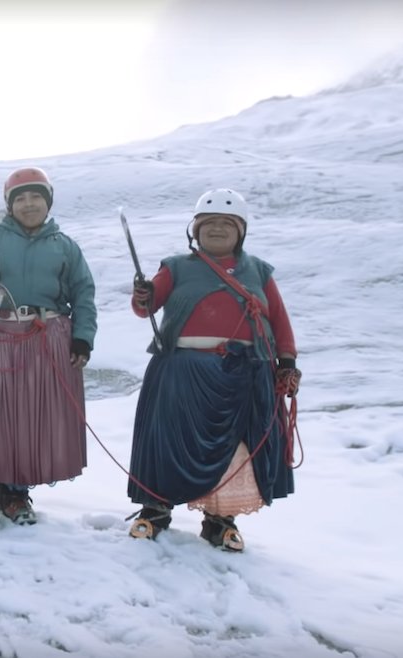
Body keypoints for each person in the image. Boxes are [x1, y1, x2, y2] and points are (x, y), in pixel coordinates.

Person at [125, 188, 299, 552]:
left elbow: (278, 319)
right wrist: (143, 294)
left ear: (241, 231)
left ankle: (221, 522)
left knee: (236, 449)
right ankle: (155, 511)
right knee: (168, 442)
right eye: (209, 224)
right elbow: (147, 306)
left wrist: (287, 361)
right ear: (195, 229)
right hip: (182, 373)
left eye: (227, 224)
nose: (217, 230)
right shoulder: (175, 267)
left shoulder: (259, 272)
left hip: (245, 374)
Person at [0, 167, 97, 537]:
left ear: (48, 202)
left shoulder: (65, 246)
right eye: (21, 198)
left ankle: (15, 495)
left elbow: (84, 294)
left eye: (36, 197)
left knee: (29, 417)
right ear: (10, 204)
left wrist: (83, 338)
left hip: (46, 340)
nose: (29, 204)